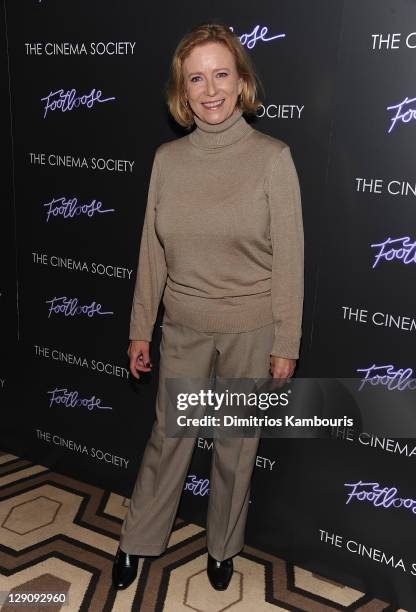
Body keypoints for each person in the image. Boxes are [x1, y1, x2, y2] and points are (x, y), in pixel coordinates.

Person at [112, 21, 304, 592]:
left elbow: (290, 260)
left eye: (222, 74)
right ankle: (138, 540)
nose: (210, 89)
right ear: (182, 90)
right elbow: (152, 250)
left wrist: (285, 343)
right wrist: (140, 327)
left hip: (252, 328)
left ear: (241, 81)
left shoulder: (273, 157)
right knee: (168, 439)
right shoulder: (167, 160)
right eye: (197, 77)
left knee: (234, 449)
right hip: (185, 328)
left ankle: (223, 548)